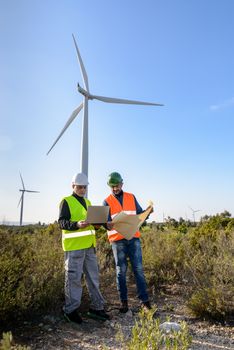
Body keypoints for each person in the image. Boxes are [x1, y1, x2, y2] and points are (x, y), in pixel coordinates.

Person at [58, 172, 109, 323]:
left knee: (93, 279)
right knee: (73, 279)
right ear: (73, 186)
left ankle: (96, 307)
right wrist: (77, 225)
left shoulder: (88, 202)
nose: (82, 190)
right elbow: (62, 223)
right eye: (79, 187)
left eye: (84, 187)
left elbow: (94, 225)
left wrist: (105, 225)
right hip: (74, 249)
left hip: (89, 247)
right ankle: (70, 310)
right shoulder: (66, 201)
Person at [103, 172, 153, 313]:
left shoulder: (131, 197)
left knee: (138, 270)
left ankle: (145, 302)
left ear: (122, 184)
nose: (115, 188)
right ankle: (123, 303)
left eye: (117, 185)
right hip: (117, 241)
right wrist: (107, 225)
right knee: (121, 272)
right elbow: (105, 223)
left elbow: (140, 215)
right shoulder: (106, 201)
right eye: (112, 186)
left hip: (133, 239)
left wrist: (148, 212)